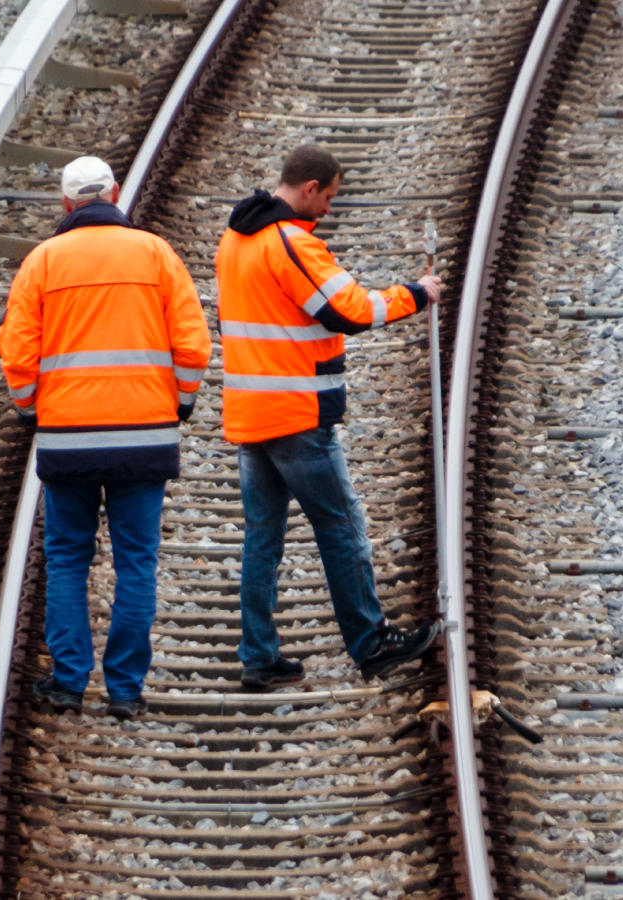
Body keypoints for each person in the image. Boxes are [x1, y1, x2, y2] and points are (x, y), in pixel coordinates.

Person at [215, 142, 444, 690]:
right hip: (295, 413)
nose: (329, 210)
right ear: (310, 187)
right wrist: (417, 293)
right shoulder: (291, 242)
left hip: (252, 411)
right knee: (341, 525)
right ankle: (372, 642)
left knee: (262, 536)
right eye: (330, 198)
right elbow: (351, 311)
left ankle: (259, 654)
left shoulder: (235, 238)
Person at [0, 155, 211, 718]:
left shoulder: (42, 262)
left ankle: (68, 681)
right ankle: (125, 690)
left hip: (68, 438)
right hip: (145, 436)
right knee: (137, 560)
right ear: (114, 193)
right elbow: (192, 345)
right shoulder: (155, 253)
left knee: (67, 557)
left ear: (66, 205)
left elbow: (18, 354)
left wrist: (30, 413)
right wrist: (180, 405)